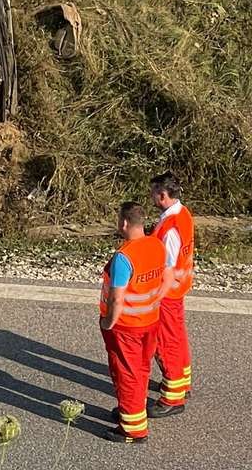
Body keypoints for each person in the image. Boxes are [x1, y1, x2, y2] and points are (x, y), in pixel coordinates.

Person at [99, 201, 167, 443]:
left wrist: (108, 322)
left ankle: (133, 429)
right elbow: (165, 278)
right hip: (150, 321)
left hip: (125, 325)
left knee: (126, 374)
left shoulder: (123, 257)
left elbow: (117, 298)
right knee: (140, 370)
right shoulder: (156, 245)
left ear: (124, 223)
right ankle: (133, 412)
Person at [149, 172, 194, 417]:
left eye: (154, 193)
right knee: (177, 336)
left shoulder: (170, 228)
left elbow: (165, 266)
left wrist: (155, 296)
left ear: (163, 195)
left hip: (167, 292)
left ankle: (172, 398)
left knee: (166, 343)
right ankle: (182, 382)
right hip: (180, 286)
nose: (151, 197)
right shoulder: (183, 214)